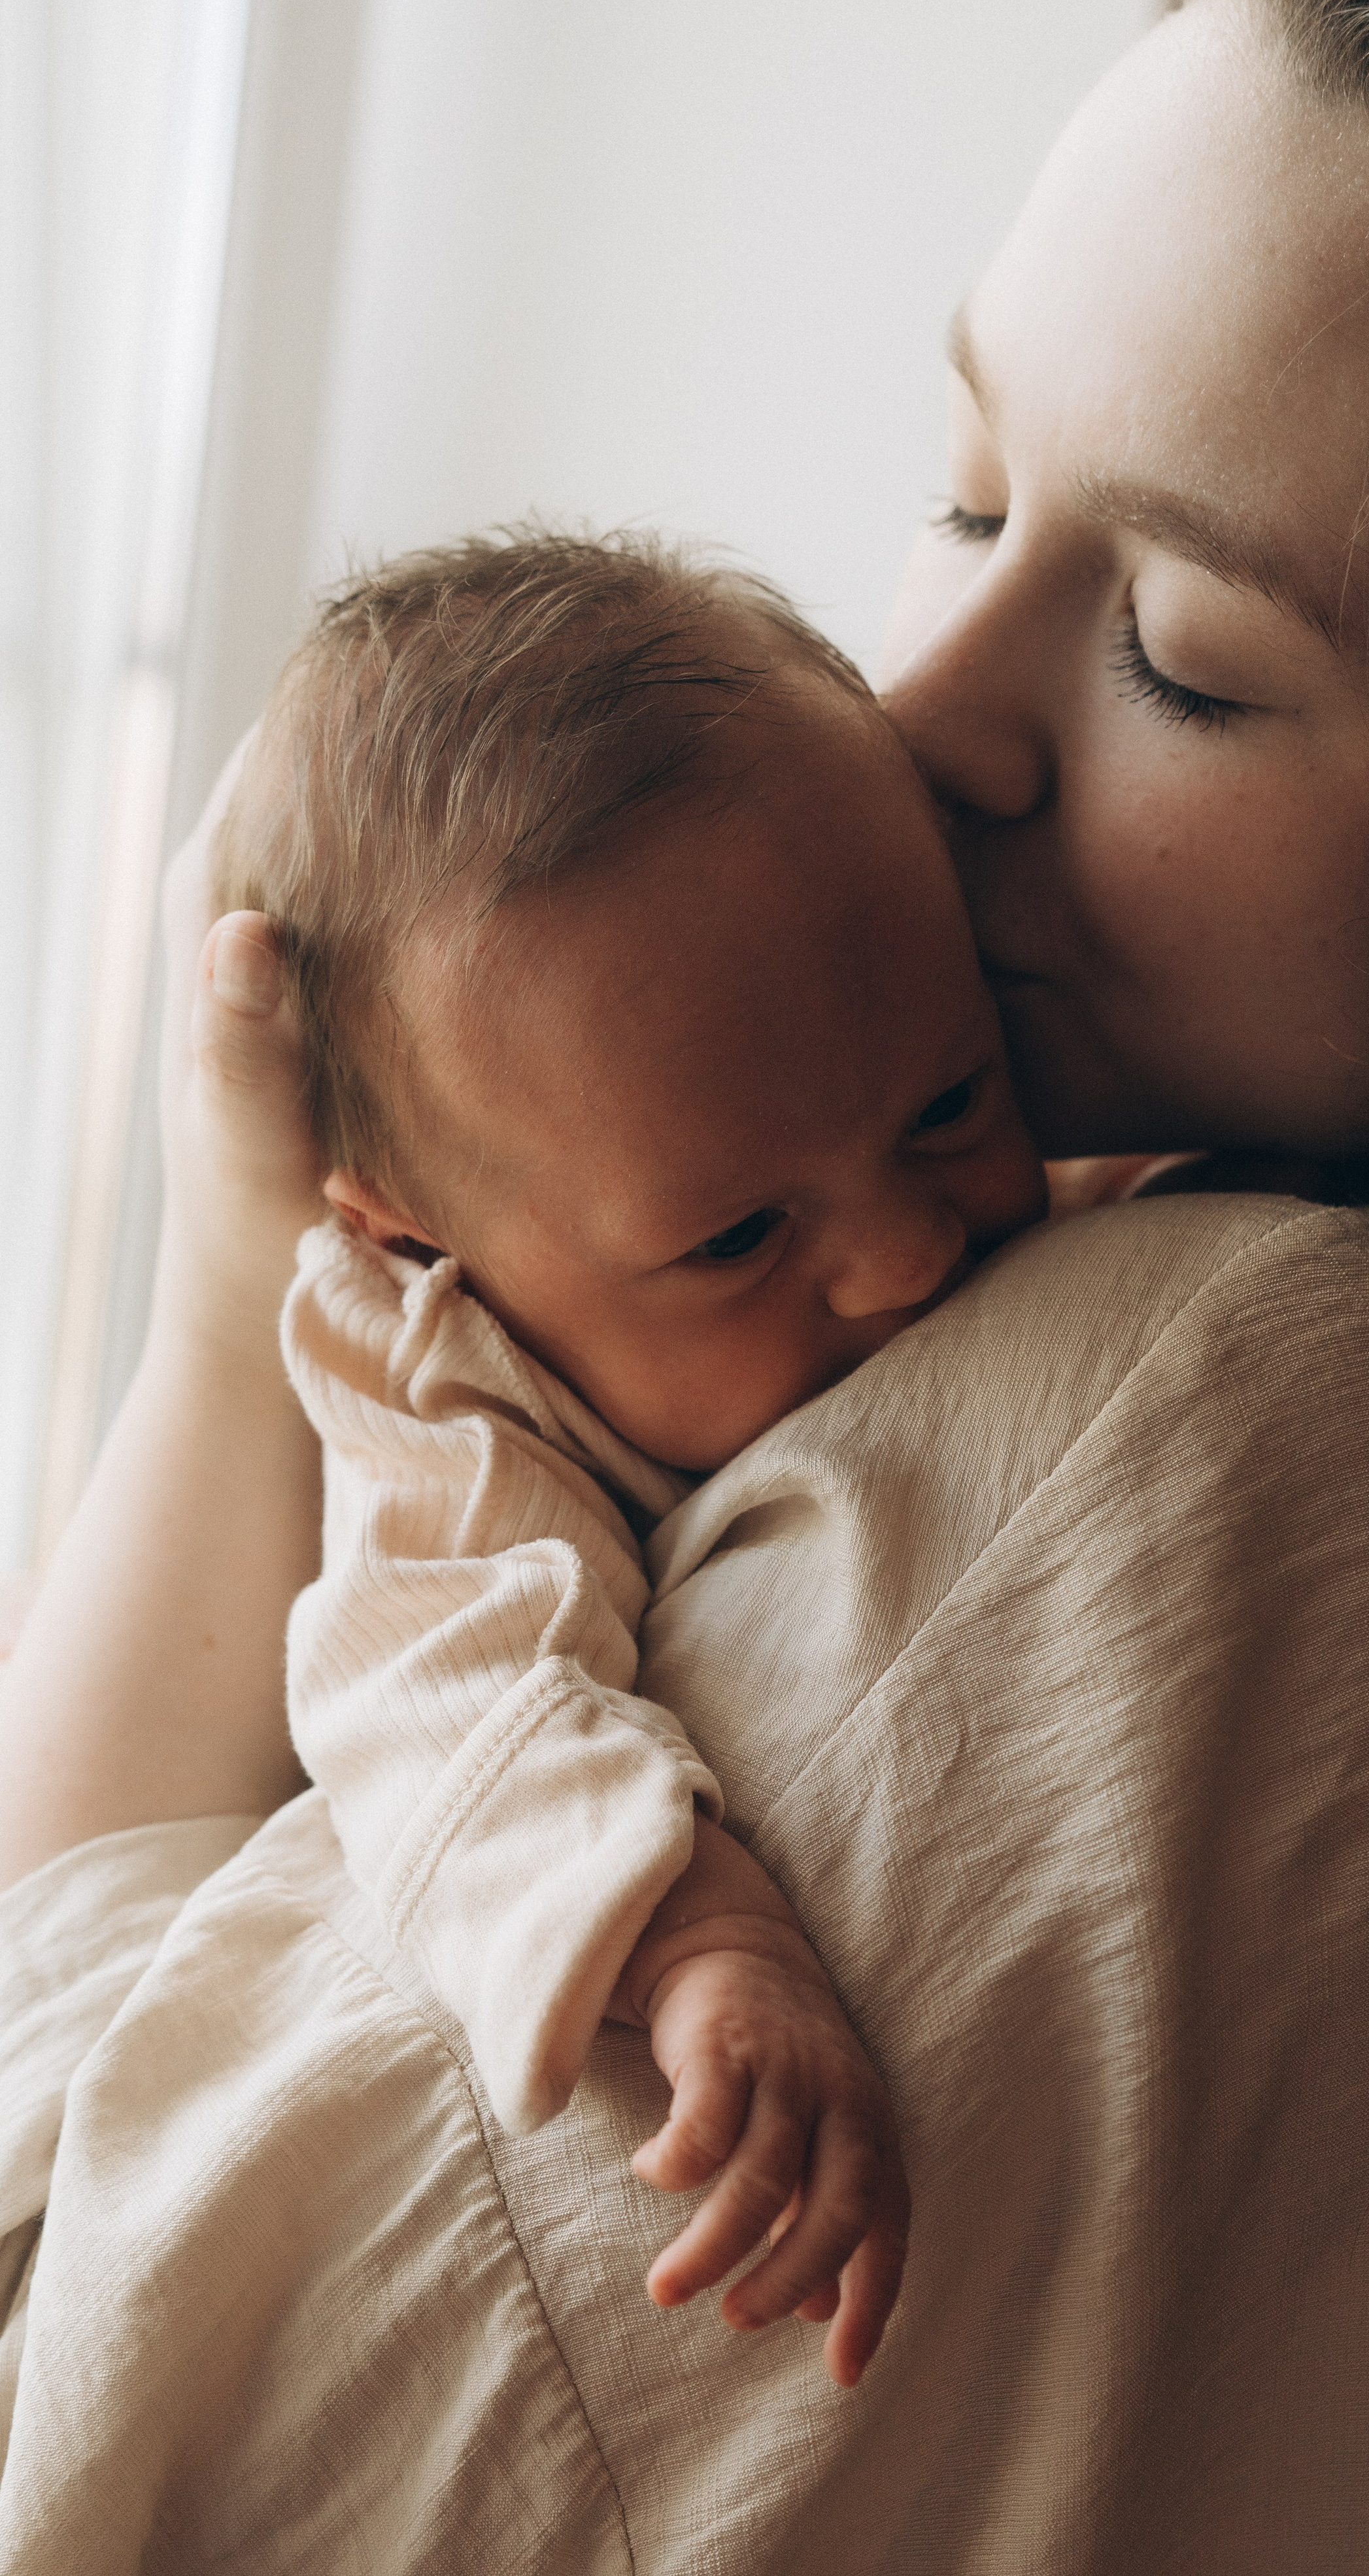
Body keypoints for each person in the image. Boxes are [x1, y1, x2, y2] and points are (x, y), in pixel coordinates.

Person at [2, 0, 1369, 2565]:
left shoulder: (1211, 1415)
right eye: (972, 485)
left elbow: (64, 2337)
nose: (918, 712)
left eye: (1188, 668)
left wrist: (237, 1326)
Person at [222, 527, 1048, 2374]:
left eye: (951, 1098)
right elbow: (441, 1688)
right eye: (744, 1235)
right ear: (423, 1240)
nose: (906, 1250)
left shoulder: (819, 1120)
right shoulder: (445, 1387)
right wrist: (698, 1947)